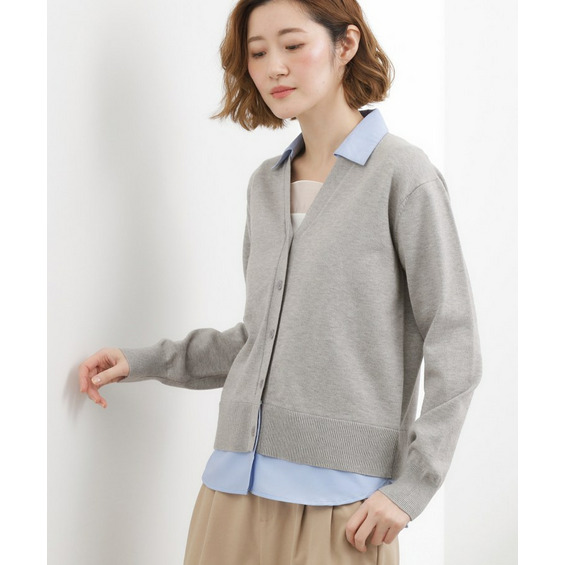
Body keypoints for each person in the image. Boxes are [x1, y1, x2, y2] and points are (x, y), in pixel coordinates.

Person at [78, 0, 482, 563]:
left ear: (346, 45)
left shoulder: (403, 175)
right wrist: (142, 360)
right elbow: (259, 340)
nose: (274, 67)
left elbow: (454, 341)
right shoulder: (265, 185)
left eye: (293, 45)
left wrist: (413, 488)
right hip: (230, 489)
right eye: (258, 52)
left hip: (344, 500)